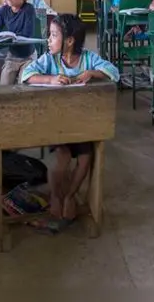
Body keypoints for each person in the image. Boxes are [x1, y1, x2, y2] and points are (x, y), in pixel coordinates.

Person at [21, 15, 119, 220]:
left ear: (70, 40)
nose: (48, 39)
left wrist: (92, 73)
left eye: (54, 35)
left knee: (85, 159)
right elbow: (26, 74)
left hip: (82, 123)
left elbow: (114, 72)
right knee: (62, 159)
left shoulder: (88, 59)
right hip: (57, 122)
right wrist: (50, 79)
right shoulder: (49, 59)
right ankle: (56, 196)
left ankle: (70, 196)